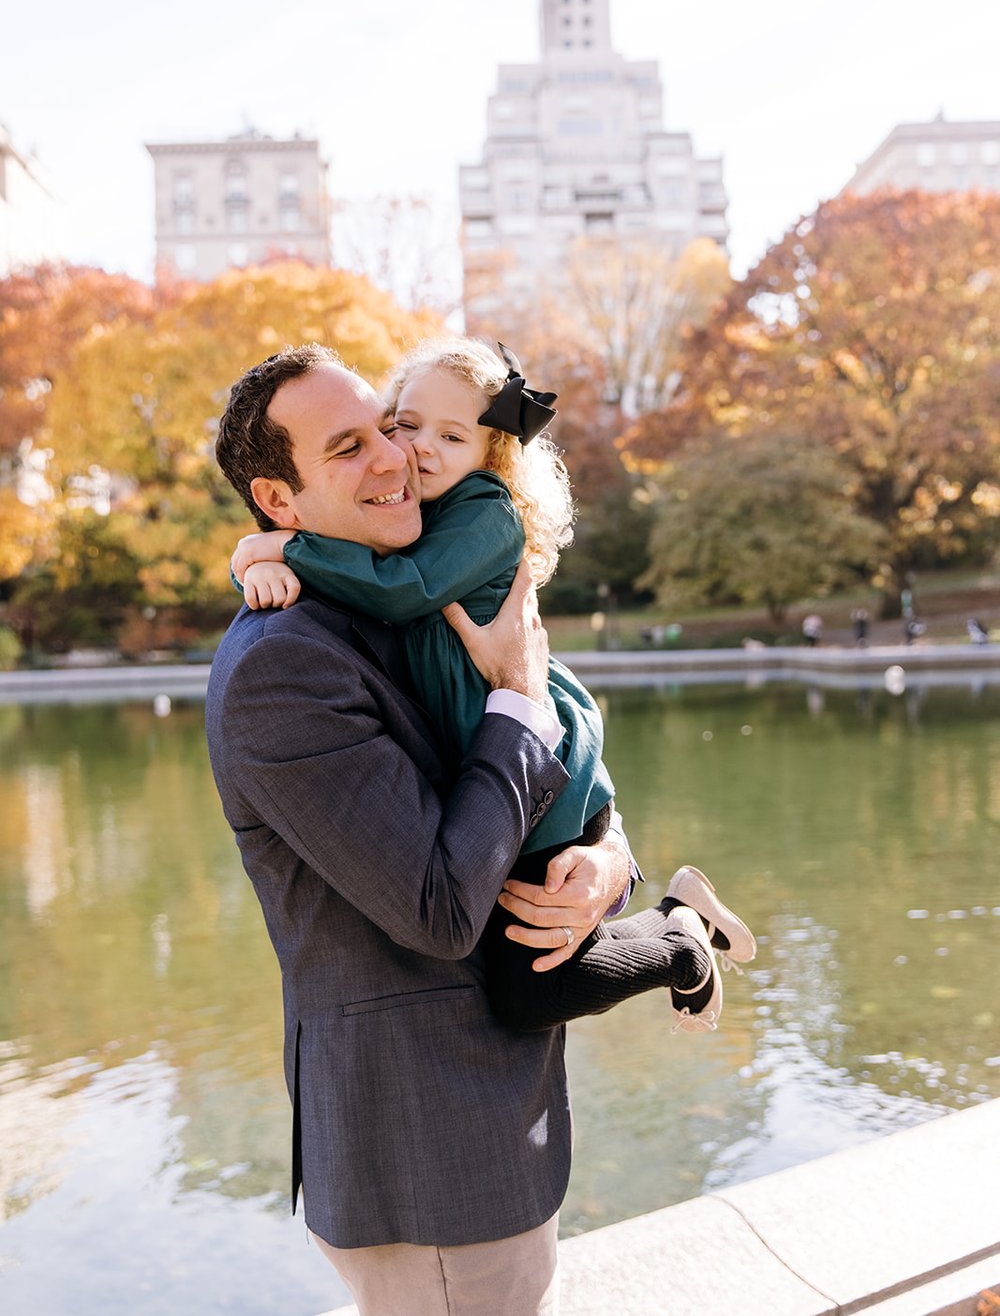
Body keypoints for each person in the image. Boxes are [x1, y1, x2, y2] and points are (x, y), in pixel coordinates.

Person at [204, 345, 739, 1316]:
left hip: (492, 1114)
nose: (394, 458)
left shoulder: (408, 590)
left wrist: (607, 859)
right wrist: (518, 702)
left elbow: (554, 736)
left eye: (387, 427)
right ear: (279, 501)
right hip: (425, 1152)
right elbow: (443, 906)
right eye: (347, 449)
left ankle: (673, 929)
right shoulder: (285, 669)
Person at [230, 337, 756, 1036]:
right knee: (539, 974)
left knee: (536, 982)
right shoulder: (292, 654)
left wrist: (278, 547)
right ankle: (678, 922)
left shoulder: (480, 511)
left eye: (451, 435)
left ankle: (678, 936)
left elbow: (405, 592)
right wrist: (258, 556)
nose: (410, 452)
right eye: (402, 426)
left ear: (492, 454)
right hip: (508, 773)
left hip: (545, 772)